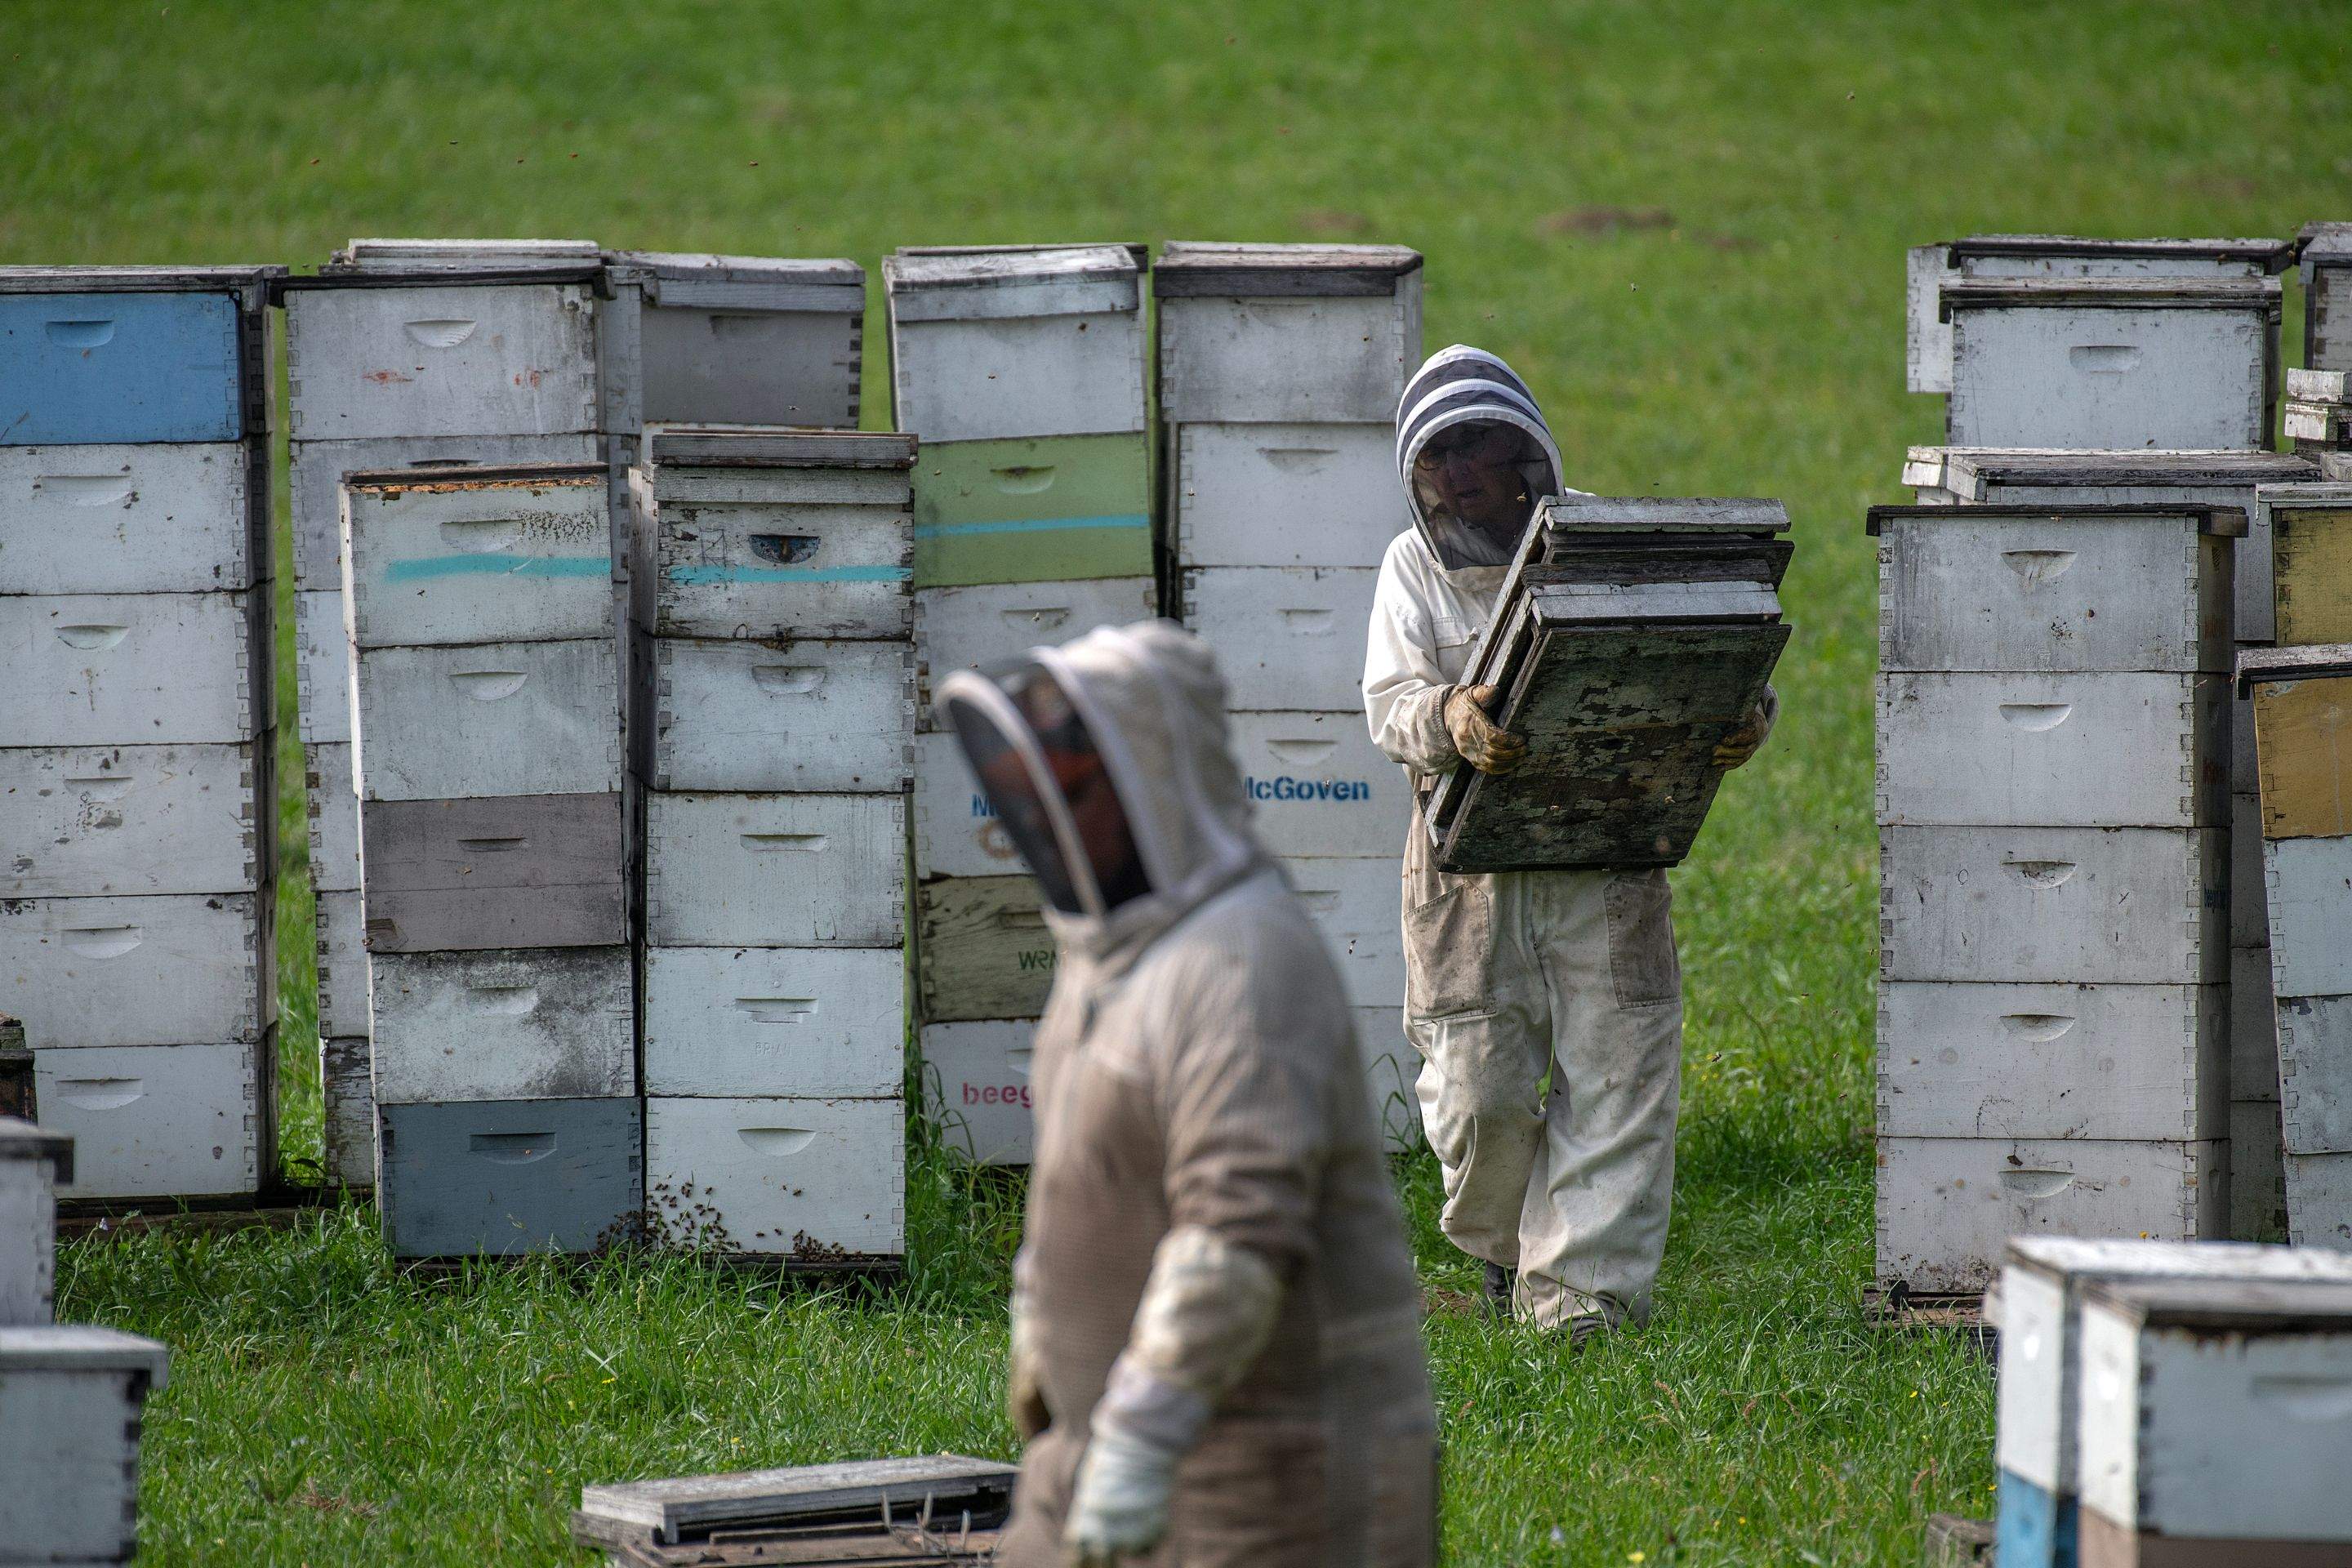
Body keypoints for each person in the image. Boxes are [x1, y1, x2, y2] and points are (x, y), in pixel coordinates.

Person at [938, 622, 1436, 1568]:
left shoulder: (1243, 960)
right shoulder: (1106, 959)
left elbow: (1236, 1228)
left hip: (1272, 1476)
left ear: (1152, 786)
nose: (1044, 825)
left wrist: (1139, 1436)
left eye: (1078, 794)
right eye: (1030, 798)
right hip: (1097, 1451)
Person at [1361, 345, 1775, 1342]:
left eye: (1479, 447)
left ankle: (1582, 1309)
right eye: (1440, 457)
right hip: (1471, 873)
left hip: (1608, 844)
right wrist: (1452, 715)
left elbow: (1699, 637)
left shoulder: (1597, 540)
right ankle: (1505, 1251)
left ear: (1523, 450)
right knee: (1479, 1095)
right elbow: (1389, 702)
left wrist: (1742, 712)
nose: (1461, 473)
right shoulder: (1411, 567)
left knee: (1621, 1071)